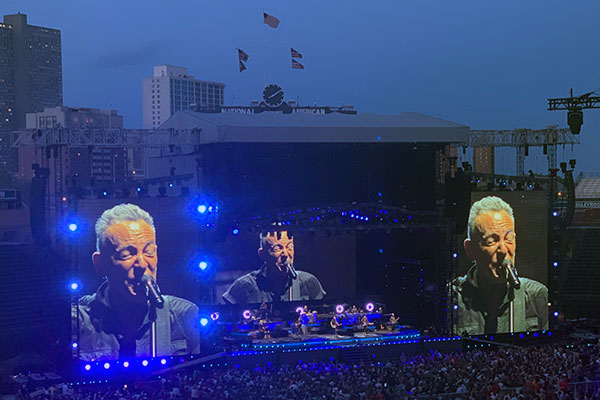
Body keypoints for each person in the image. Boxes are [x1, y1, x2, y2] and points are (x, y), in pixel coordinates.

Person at [73, 204, 200, 361]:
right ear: (100, 264)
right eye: (126, 254)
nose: (142, 264)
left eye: (149, 252)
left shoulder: (184, 315)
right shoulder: (77, 322)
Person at [452, 196, 548, 335]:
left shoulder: (537, 295)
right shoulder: (451, 298)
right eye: (491, 241)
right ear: (470, 249)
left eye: (509, 239)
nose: (503, 250)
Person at [222, 230, 326, 304]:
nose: (285, 254)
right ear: (262, 254)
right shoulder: (244, 286)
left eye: (289, 247)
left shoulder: (309, 282)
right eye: (277, 249)